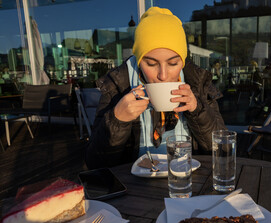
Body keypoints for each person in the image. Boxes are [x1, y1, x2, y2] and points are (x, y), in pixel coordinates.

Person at [85, 7, 227, 169]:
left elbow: (223, 150)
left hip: (189, 182)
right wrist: (117, 120)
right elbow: (95, 164)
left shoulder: (197, 81)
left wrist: (197, 110)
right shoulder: (118, 85)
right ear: (138, 62)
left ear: (182, 61)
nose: (163, 75)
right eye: (151, 64)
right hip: (135, 187)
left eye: (173, 63)